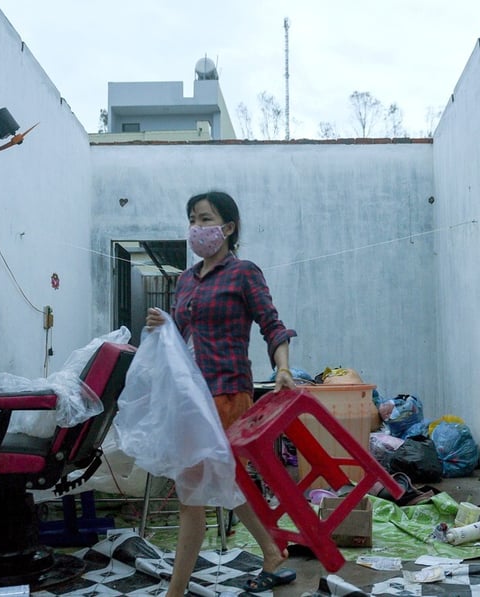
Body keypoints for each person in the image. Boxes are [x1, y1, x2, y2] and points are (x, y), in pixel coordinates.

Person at [145, 190, 298, 596]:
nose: (197, 227)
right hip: (191, 396)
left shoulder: (244, 273)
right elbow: (180, 338)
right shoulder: (186, 280)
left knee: (194, 493)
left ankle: (175, 592)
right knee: (221, 483)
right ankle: (271, 552)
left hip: (228, 394)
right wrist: (161, 327)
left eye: (205, 219)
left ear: (228, 228)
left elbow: (272, 325)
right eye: (192, 219)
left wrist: (282, 368)